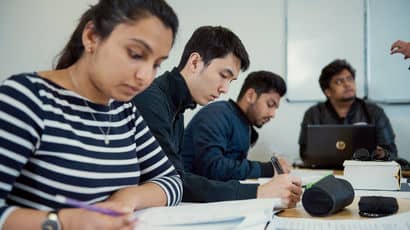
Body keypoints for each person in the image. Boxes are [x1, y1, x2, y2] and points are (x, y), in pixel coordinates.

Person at [0, 1, 182, 229]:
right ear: (92, 37)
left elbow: (172, 182)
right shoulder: (27, 98)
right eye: (135, 54)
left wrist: (127, 197)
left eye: (156, 64)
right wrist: (64, 222)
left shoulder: (124, 111)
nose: (145, 76)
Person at [133, 26, 302, 207]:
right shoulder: (151, 100)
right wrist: (259, 192)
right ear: (195, 63)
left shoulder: (177, 108)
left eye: (231, 81)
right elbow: (173, 181)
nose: (225, 89)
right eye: (223, 76)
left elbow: (175, 179)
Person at [181, 71, 291, 181]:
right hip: (190, 193)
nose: (272, 114)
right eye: (270, 105)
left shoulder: (244, 126)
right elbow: (213, 168)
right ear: (251, 96)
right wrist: (268, 169)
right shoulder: (217, 114)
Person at [299, 59, 398, 162]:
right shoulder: (313, 114)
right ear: (328, 91)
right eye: (339, 81)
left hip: (364, 171)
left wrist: (382, 154)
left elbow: (392, 152)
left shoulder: (374, 112)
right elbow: (304, 153)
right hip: (327, 172)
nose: (347, 84)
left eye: (349, 79)